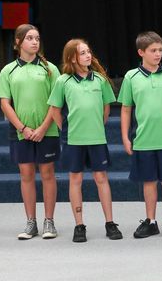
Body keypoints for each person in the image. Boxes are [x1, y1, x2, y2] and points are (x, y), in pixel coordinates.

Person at [48, 38, 121, 243]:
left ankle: (110, 223)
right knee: (76, 180)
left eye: (88, 51)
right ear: (72, 58)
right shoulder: (63, 81)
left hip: (96, 138)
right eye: (82, 53)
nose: (88, 55)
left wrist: (96, 126)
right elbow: (55, 110)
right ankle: (79, 225)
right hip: (74, 140)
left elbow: (106, 108)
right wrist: (66, 129)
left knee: (101, 178)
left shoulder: (100, 80)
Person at [118, 31, 162, 239]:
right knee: (148, 182)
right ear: (141, 52)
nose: (158, 54)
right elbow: (126, 109)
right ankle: (151, 221)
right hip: (143, 140)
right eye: (153, 50)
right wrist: (125, 137)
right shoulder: (131, 77)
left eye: (160, 50)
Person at [0, 24, 60, 240]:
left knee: (48, 173)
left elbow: (56, 102)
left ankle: (49, 221)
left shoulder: (50, 69)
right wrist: (23, 128)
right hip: (20, 132)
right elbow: (5, 103)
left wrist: (42, 128)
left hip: (47, 131)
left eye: (37, 38)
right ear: (18, 42)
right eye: (30, 38)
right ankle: (31, 222)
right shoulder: (8, 70)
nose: (34, 42)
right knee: (26, 174)